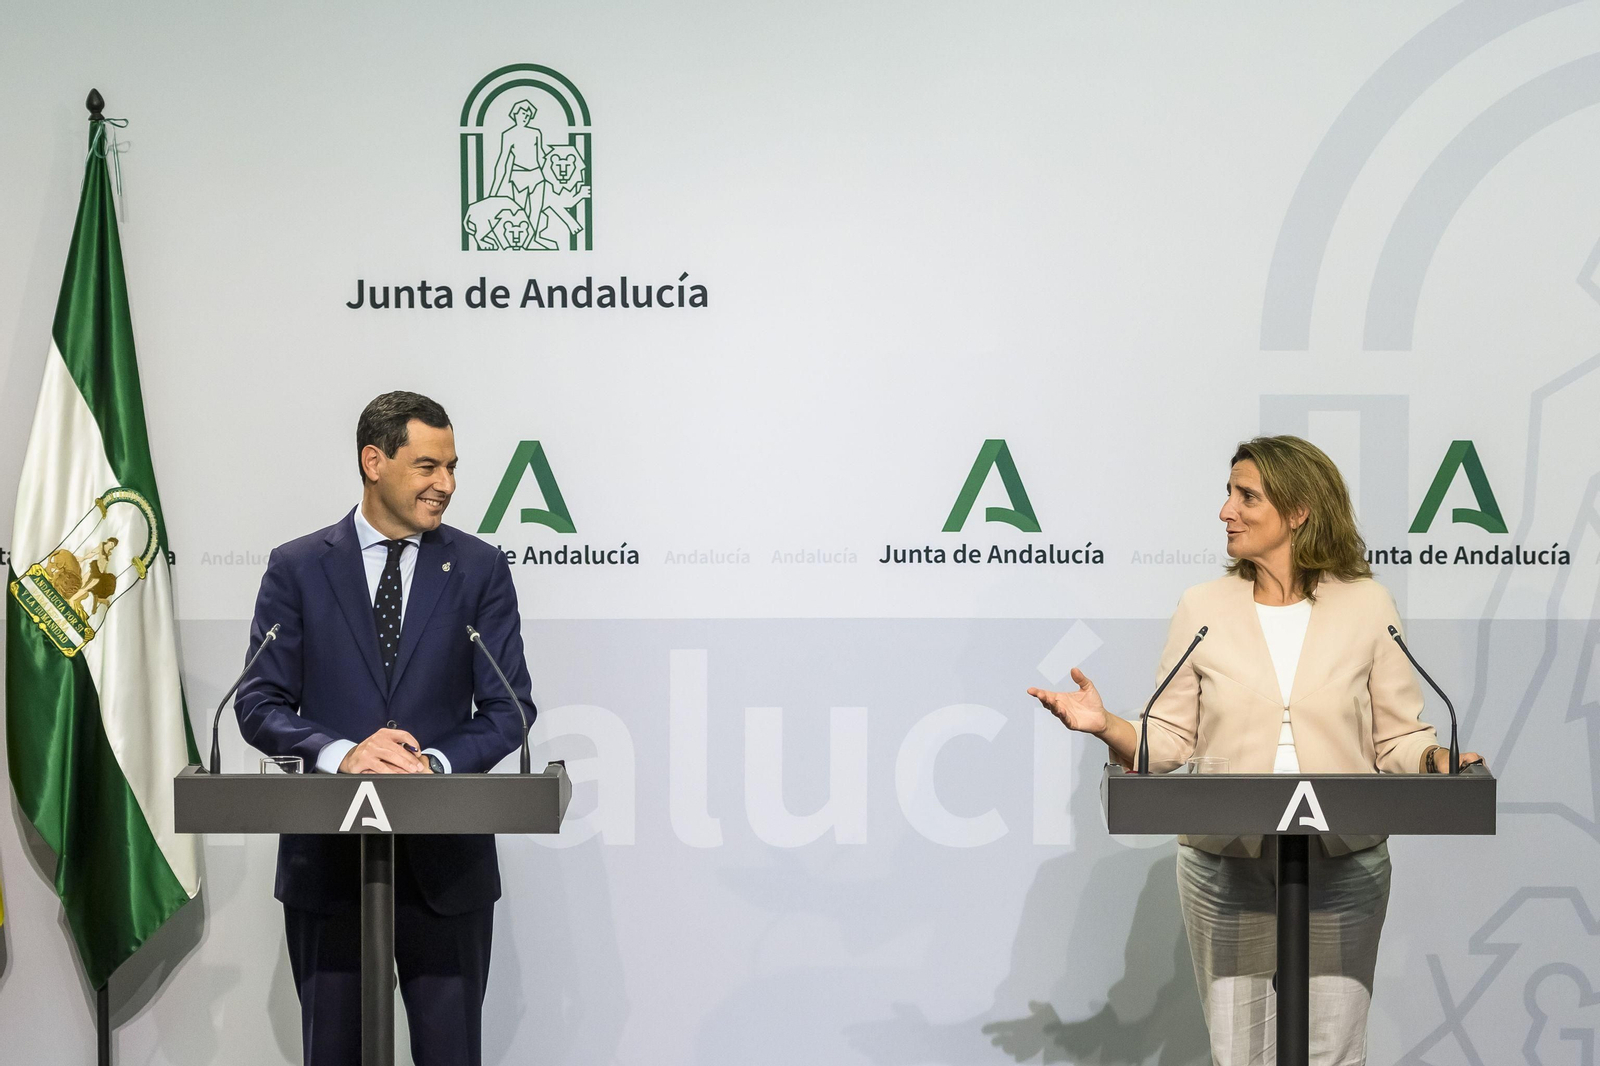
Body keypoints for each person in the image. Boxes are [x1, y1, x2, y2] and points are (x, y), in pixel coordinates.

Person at [1028, 435, 1484, 1065]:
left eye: (1247, 496)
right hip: (1226, 863)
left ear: (1298, 510)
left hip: (1342, 863)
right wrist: (1104, 722)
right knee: (1240, 1056)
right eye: (1229, 494)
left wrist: (1436, 760)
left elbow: (1398, 737)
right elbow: (1168, 741)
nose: (1226, 511)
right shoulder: (1203, 608)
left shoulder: (1366, 605)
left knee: (1333, 1053)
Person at [235, 391, 533, 1066]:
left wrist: (429, 763)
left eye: (452, 467)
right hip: (330, 871)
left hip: (445, 876)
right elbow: (259, 701)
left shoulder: (480, 569)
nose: (446, 485)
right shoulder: (299, 567)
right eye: (428, 466)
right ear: (374, 461)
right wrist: (342, 755)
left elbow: (510, 709)